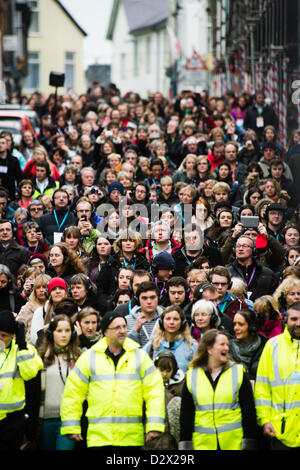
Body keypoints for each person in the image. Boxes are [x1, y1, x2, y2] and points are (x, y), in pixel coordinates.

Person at [60, 311, 165, 448]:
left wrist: (154, 425)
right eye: (117, 328)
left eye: (124, 327)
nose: (122, 331)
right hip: (99, 439)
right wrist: (71, 426)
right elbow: (73, 393)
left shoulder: (140, 356)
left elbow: (155, 392)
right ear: (105, 332)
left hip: (131, 438)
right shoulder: (89, 357)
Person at [179, 329, 258, 450]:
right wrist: (185, 444)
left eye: (227, 344)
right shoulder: (192, 375)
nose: (227, 348)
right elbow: (186, 415)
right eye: (222, 344)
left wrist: (249, 441)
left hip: (233, 444)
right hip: (202, 444)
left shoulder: (238, 372)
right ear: (209, 349)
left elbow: (249, 412)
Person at [254, 302, 300, 450]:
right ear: (286, 321)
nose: (298, 323)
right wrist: (264, 420)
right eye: (294, 319)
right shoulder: (272, 346)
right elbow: (262, 387)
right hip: (281, 431)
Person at [0, 310, 43, 450]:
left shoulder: (24, 350)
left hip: (13, 420)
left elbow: (30, 373)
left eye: (3, 336)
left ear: (13, 335)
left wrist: (22, 345)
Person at [38, 314, 82, 450]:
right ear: (51, 334)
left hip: (69, 419)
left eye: (67, 331)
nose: (64, 335)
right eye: (59, 331)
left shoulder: (79, 358)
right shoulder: (41, 358)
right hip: (45, 419)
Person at [143, 305, 198, 372]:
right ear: (161, 322)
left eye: (175, 319)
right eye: (168, 319)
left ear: (182, 323)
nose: (171, 322)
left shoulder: (192, 347)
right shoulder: (152, 346)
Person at [227, 234, 278, 301]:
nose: (240, 249)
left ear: (253, 250)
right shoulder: (227, 273)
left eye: (245, 246)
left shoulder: (268, 274)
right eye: (238, 246)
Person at [229, 309, 268, 381]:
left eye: (241, 324)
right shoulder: (228, 348)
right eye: (234, 324)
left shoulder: (266, 346)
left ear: (251, 326)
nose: (236, 328)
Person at [30, 277, 68, 347]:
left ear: (66, 292)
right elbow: (35, 339)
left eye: (61, 288)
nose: (58, 291)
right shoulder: (40, 312)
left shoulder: (75, 309)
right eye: (54, 289)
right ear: (48, 294)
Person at [125, 281, 164, 347]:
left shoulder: (166, 318)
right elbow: (124, 347)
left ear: (158, 298)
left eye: (152, 297)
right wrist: (135, 330)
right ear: (138, 300)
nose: (149, 302)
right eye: (144, 298)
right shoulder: (127, 320)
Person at [17, 273, 51, 343]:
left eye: (44, 287)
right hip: (30, 349)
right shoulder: (27, 308)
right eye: (38, 287)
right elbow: (17, 330)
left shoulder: (55, 307)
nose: (41, 290)